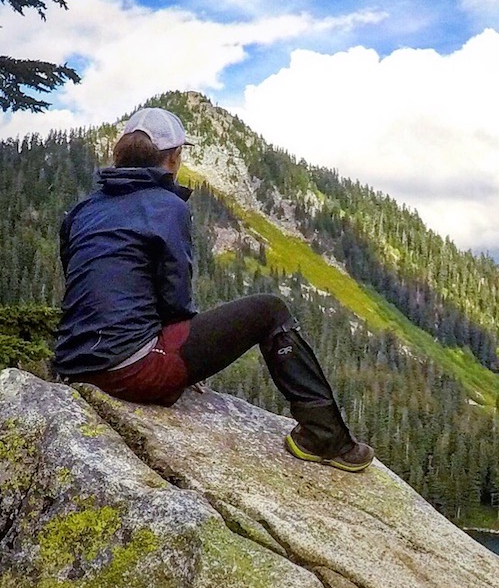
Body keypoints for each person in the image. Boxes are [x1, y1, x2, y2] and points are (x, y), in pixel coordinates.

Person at [52, 106, 374, 473]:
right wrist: (182, 354)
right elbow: (174, 294)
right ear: (172, 158)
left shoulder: (82, 210)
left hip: (73, 365)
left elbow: (80, 283)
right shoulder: (167, 206)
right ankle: (324, 436)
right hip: (130, 372)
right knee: (270, 310)